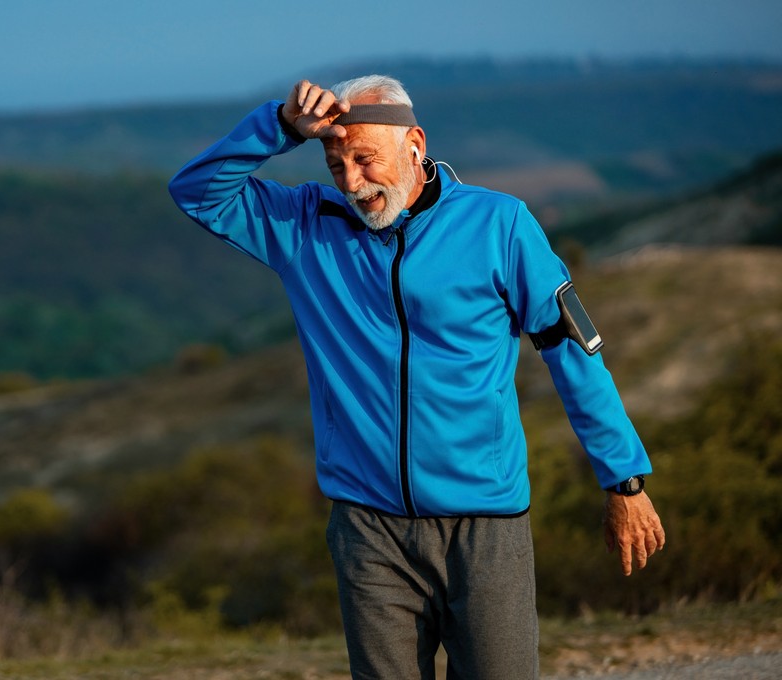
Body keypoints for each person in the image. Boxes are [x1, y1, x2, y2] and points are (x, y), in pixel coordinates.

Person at [167, 75, 666, 679]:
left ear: (415, 144)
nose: (351, 182)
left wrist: (624, 482)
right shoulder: (305, 226)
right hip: (367, 528)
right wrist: (278, 126)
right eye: (335, 163)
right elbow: (197, 191)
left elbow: (572, 352)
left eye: (364, 158)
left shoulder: (498, 225)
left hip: (486, 526)